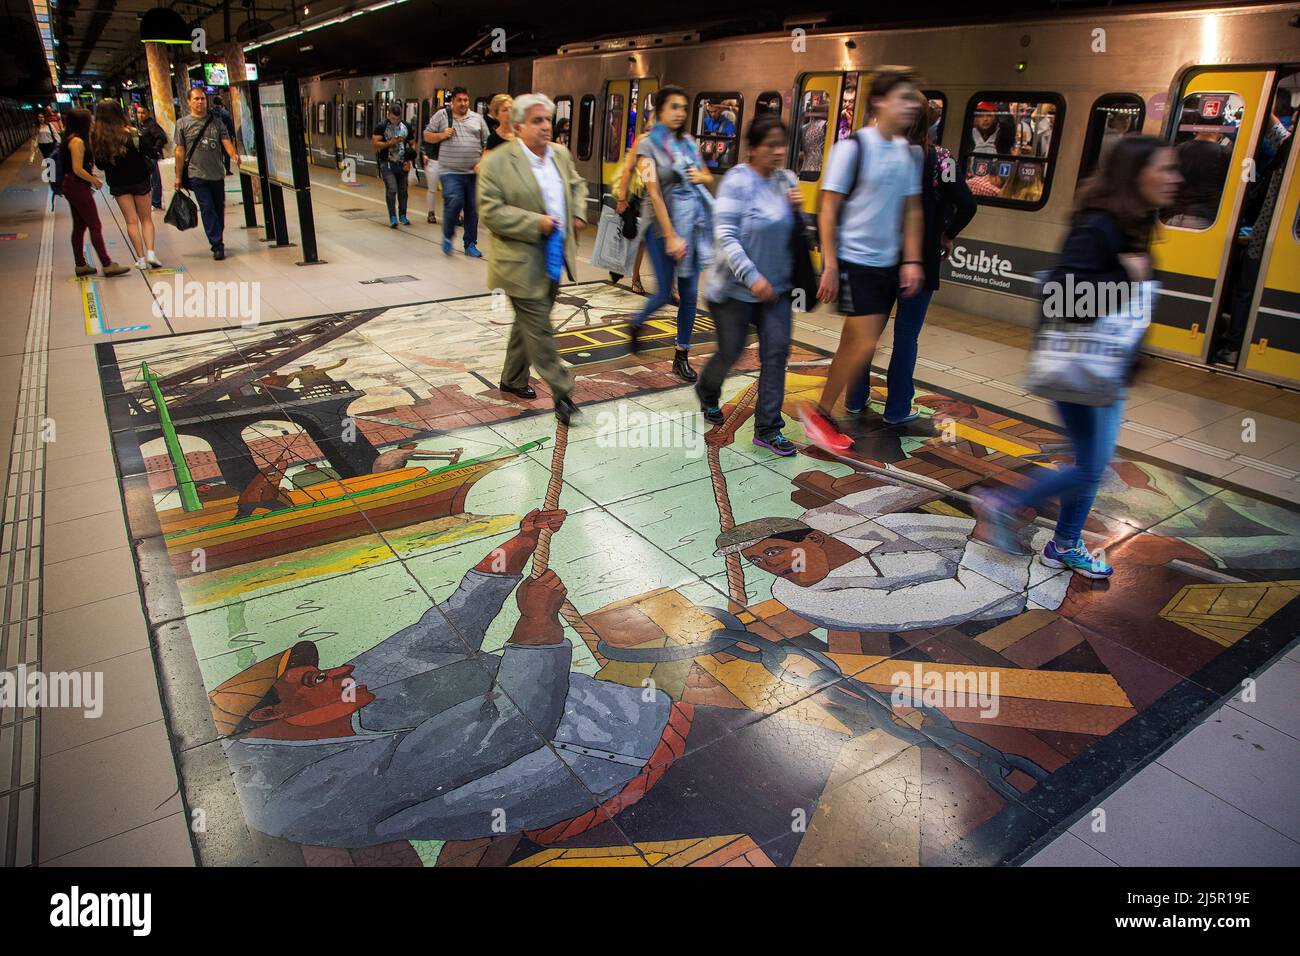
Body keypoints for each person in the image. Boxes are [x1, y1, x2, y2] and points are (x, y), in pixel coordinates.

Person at [973, 136, 1183, 580]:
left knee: (1092, 464)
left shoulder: (1132, 225)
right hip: (1080, 368)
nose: (1174, 178)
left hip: (1106, 370)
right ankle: (1005, 504)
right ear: (1135, 174)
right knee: (1091, 466)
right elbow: (1063, 298)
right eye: (1164, 169)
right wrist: (1126, 274)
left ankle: (1064, 544)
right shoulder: (1099, 226)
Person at [717, 482, 1069, 632]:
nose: (770, 566)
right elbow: (972, 598)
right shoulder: (806, 596)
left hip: (1045, 543)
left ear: (814, 538)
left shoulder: (829, 521)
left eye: (773, 551)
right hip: (1040, 589)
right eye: (757, 561)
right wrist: (987, 535)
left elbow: (902, 487)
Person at [802, 70, 925, 450]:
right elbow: (827, 208)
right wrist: (832, 264)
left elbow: (913, 211)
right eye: (903, 98)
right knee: (864, 341)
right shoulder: (853, 148)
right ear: (880, 102)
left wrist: (912, 260)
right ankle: (820, 414)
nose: (911, 106)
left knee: (854, 342)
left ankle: (822, 412)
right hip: (856, 262)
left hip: (887, 265)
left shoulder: (906, 153)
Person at [844, 91, 976, 424]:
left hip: (878, 257)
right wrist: (947, 234)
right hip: (920, 260)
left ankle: (855, 398)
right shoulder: (942, 160)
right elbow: (968, 204)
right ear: (929, 122)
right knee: (906, 335)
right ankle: (898, 408)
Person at [696, 113, 803, 457]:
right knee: (732, 350)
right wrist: (752, 277)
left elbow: (792, 236)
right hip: (734, 290)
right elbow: (726, 236)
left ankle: (768, 429)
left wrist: (799, 213)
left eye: (781, 145)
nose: (777, 152)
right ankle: (708, 390)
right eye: (770, 145)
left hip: (777, 290)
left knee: (776, 353)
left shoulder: (787, 180)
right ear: (753, 149)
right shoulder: (737, 182)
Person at [479, 93, 588, 424]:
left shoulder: (560, 155)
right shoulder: (496, 163)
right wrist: (534, 223)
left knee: (527, 323)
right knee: (539, 327)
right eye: (537, 121)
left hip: (553, 257)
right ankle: (563, 393)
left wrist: (579, 213)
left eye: (548, 120)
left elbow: (577, 185)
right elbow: (490, 211)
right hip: (517, 261)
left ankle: (512, 378)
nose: (546, 127)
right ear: (518, 126)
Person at [627, 85, 715, 382]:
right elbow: (653, 192)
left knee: (689, 295)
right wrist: (671, 235)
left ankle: (681, 356)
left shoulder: (689, 143)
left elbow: (706, 176)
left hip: (690, 225)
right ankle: (636, 323)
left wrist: (698, 175)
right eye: (674, 107)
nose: (680, 113)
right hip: (659, 228)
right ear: (660, 110)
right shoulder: (646, 147)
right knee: (665, 292)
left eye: (684, 108)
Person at [92, 99, 162, 271]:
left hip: (118, 183)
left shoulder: (98, 138)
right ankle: (151, 253)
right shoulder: (132, 132)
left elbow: (100, 165)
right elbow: (151, 152)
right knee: (146, 219)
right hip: (140, 179)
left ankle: (140, 259)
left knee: (131, 222)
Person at [58, 108, 129, 279]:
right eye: (90, 120)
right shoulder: (77, 142)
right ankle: (107, 264)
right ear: (82, 123)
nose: (92, 123)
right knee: (94, 225)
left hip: (70, 185)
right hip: (77, 186)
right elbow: (77, 169)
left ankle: (80, 264)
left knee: (79, 226)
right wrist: (93, 180)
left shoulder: (69, 139)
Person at [175, 86, 241, 259]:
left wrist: (233, 154)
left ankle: (217, 236)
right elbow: (180, 151)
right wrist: (177, 176)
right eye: (196, 99)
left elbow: (225, 140)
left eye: (202, 99)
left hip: (217, 173)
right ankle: (217, 243)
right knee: (207, 208)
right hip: (196, 174)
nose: (200, 102)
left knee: (218, 209)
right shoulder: (182, 124)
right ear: (189, 101)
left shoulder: (216, 121)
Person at [424, 86, 488, 257]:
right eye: (459, 100)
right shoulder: (442, 116)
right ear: (452, 101)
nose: (463, 103)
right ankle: (448, 234)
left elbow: (486, 143)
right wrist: (442, 135)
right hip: (449, 171)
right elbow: (427, 135)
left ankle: (470, 244)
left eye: (465, 100)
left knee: (472, 209)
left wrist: (481, 162)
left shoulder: (477, 119)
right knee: (455, 202)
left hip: (472, 173)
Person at [1164, 109, 1230, 229]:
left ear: (1195, 127)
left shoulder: (1179, 149)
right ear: (1220, 130)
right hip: (1204, 219)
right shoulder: (1224, 153)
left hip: (1173, 217)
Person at [372, 103, 414, 228]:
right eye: (393, 118)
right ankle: (393, 217)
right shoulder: (382, 127)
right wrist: (390, 143)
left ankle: (402, 215)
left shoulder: (406, 127)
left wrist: (409, 160)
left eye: (398, 118)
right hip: (387, 163)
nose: (395, 121)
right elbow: (375, 144)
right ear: (388, 115)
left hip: (402, 163)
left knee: (403, 190)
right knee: (392, 188)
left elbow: (412, 143)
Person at [134, 103, 168, 210]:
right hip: (145, 156)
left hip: (152, 157)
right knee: (151, 180)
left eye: (143, 113)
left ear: (148, 113)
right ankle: (153, 201)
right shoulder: (141, 125)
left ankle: (156, 201)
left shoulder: (151, 125)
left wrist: (155, 149)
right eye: (139, 113)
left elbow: (162, 137)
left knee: (156, 180)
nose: (140, 115)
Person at [34, 109, 61, 200]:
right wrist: (35, 146)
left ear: (44, 117)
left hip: (51, 145)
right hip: (42, 146)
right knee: (47, 160)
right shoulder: (37, 127)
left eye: (42, 117)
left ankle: (53, 176)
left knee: (51, 161)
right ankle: (52, 175)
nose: (40, 118)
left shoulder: (49, 125)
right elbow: (36, 137)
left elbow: (55, 134)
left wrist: (59, 143)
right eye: (39, 117)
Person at [210, 94, 236, 175]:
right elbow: (230, 125)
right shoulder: (226, 113)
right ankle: (227, 170)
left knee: (217, 153)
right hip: (225, 136)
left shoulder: (210, 113)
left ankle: (219, 169)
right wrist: (233, 135)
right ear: (221, 102)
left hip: (214, 136)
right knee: (226, 153)